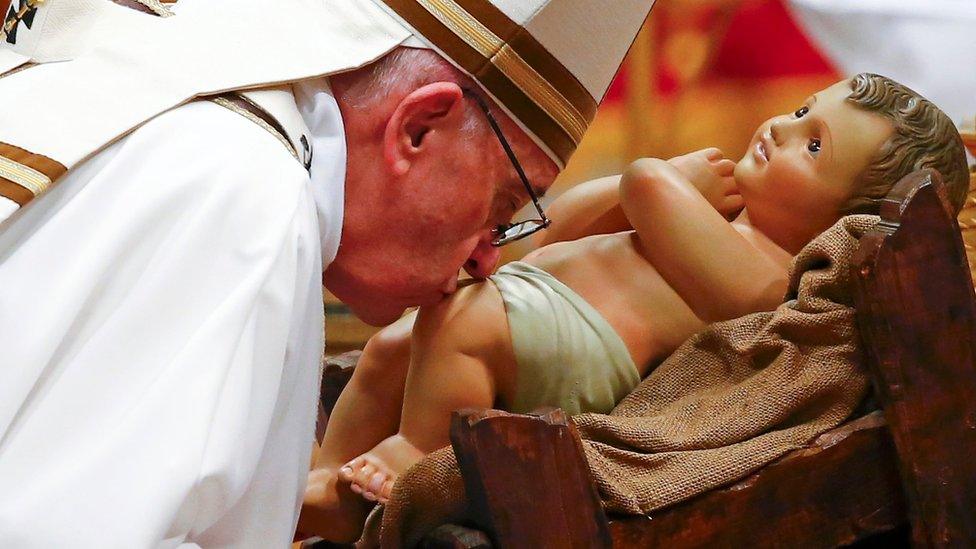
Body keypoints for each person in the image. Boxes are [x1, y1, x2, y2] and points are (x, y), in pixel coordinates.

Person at [0, 0, 654, 546]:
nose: (489, 256)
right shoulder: (246, 194)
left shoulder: (171, 112)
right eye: (506, 205)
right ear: (419, 127)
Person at [299, 73, 970, 541]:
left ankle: (418, 453)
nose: (781, 131)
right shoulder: (722, 210)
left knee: (460, 325)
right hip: (528, 304)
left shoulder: (770, 273)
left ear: (842, 219)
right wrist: (640, 188)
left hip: (573, 353)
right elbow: (561, 221)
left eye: (814, 146)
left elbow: (645, 183)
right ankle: (327, 474)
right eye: (799, 112)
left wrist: (667, 176)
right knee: (395, 343)